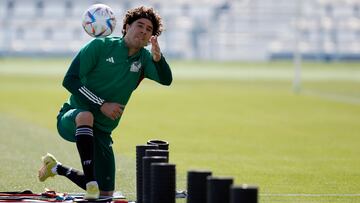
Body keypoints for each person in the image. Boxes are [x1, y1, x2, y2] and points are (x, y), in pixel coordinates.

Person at [37, 6, 172, 200]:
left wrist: (159, 59)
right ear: (126, 26)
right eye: (139, 25)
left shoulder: (144, 59)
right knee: (86, 115)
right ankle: (91, 182)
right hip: (74, 118)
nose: (143, 31)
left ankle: (56, 168)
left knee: (106, 194)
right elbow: (70, 80)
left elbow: (166, 80)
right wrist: (102, 104)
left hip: (103, 131)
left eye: (149, 29)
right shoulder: (100, 46)